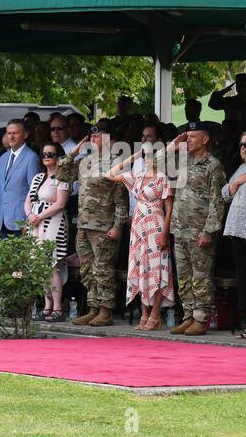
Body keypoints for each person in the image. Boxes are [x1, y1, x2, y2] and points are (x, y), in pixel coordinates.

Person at [58, 128, 128, 328]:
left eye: (96, 137)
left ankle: (106, 311)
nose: (91, 140)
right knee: (87, 269)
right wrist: (73, 152)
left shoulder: (116, 163)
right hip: (83, 224)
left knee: (103, 269)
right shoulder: (84, 162)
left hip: (103, 225)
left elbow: (121, 200)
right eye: (90, 137)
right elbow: (62, 174)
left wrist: (118, 226)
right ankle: (93, 308)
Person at [109, 139, 174, 330]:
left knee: (157, 267)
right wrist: (134, 156)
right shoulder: (137, 175)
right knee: (141, 267)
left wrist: (165, 233)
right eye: (145, 154)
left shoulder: (163, 178)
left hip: (156, 222)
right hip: (138, 225)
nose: (148, 158)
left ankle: (155, 315)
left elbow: (169, 208)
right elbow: (111, 174)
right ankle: (144, 314)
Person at [167, 122, 225, 336]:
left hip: (199, 230)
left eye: (192, 136)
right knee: (183, 276)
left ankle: (201, 318)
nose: (188, 140)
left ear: (205, 139)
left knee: (200, 276)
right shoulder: (182, 161)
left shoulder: (213, 165)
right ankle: (188, 316)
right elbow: (154, 165)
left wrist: (208, 230)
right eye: (187, 137)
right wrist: (173, 146)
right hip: (180, 228)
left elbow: (217, 201)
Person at [221, 130, 246, 338]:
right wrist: (236, 183)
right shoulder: (240, 168)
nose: (244, 148)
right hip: (236, 228)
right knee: (243, 277)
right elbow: (225, 194)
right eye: (241, 145)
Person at [25, 144, 71, 321]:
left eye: (51, 154)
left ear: (59, 156)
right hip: (36, 224)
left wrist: (39, 216)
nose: (47, 156)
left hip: (53, 222)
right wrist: (30, 215)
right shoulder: (37, 177)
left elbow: (60, 204)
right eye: (44, 154)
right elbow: (27, 200)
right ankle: (47, 306)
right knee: (40, 266)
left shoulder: (63, 178)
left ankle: (58, 308)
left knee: (51, 265)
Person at [0, 119, 41, 237]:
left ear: (24, 135)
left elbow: (34, 191)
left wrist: (28, 219)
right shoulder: (3, 158)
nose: (11, 136)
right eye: (9, 133)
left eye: (15, 133)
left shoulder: (32, 158)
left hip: (21, 221)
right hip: (3, 220)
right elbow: (0, 190)